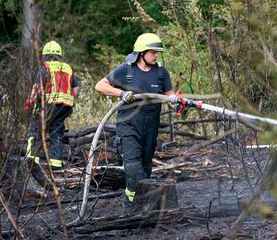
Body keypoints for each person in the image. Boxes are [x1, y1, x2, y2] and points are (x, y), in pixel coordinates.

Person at [95, 33, 174, 211]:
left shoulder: (161, 73)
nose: (156, 56)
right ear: (141, 53)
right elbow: (100, 85)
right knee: (132, 166)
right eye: (153, 52)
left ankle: (143, 205)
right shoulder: (126, 71)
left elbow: (170, 97)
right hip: (128, 126)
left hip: (151, 127)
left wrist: (178, 104)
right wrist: (121, 93)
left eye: (157, 53)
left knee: (146, 166)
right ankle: (130, 206)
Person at [25, 40, 80, 191]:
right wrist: (72, 102)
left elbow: (37, 87)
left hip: (48, 105)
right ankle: (56, 163)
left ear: (45, 55)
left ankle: (31, 159)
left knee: (35, 131)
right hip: (65, 106)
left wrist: (30, 103)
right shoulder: (67, 68)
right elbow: (75, 89)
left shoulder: (45, 67)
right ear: (59, 55)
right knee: (57, 132)